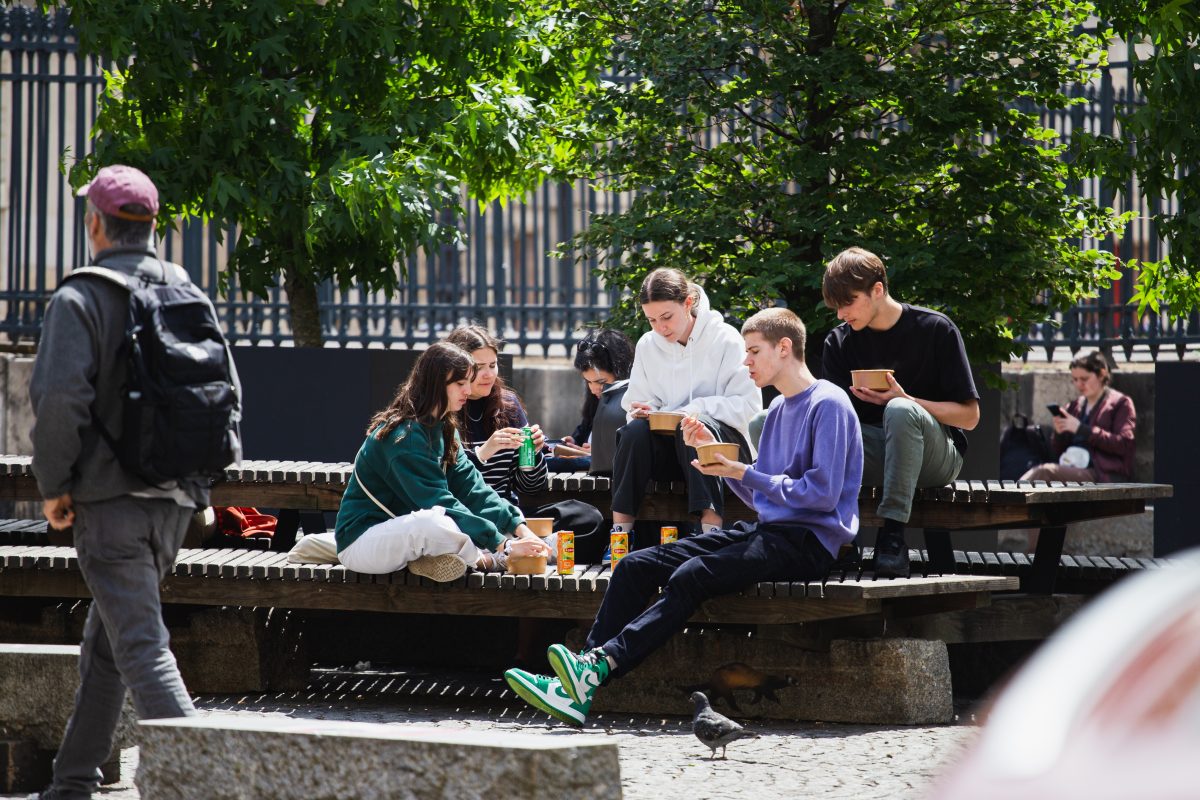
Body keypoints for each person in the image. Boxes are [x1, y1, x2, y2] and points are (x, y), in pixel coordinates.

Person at [504, 307, 862, 726]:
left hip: (810, 543)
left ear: (785, 348)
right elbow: (762, 494)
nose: (745, 362)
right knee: (636, 565)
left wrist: (740, 470)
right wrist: (716, 460)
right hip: (770, 530)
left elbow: (820, 496)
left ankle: (599, 666)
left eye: (753, 352)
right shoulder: (777, 412)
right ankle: (575, 686)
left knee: (691, 574)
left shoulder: (829, 404)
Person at [29, 165, 231, 799]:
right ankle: (71, 784)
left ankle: (201, 786)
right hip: (173, 503)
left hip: (110, 503)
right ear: (150, 226)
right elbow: (227, 392)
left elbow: (60, 400)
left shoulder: (81, 297)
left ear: (95, 225)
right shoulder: (184, 288)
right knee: (111, 642)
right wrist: (197, 486)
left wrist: (54, 484)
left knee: (140, 645)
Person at [821, 247, 980, 578]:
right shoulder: (838, 342)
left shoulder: (936, 329)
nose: (840, 314)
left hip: (934, 458)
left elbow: (969, 417)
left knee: (900, 409)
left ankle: (892, 536)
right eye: (836, 306)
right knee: (783, 421)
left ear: (877, 290)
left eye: (847, 302)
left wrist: (906, 398)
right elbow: (835, 429)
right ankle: (834, 538)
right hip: (871, 454)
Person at [334, 342, 550, 581]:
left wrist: (521, 529)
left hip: (400, 534)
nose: (468, 390)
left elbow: (473, 489)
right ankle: (488, 560)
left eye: (469, 381)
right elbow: (438, 501)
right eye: (460, 383)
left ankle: (430, 560)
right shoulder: (404, 438)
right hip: (361, 542)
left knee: (444, 523)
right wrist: (504, 545)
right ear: (436, 384)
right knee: (433, 521)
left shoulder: (444, 428)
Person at [611, 268, 762, 544]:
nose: (660, 327)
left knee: (693, 425)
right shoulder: (648, 344)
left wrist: (695, 409)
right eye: (651, 320)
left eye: (666, 317)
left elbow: (747, 407)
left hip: (723, 450)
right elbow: (635, 400)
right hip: (668, 451)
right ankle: (620, 537)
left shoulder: (726, 339)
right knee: (633, 433)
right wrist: (641, 410)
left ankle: (711, 535)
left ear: (689, 302)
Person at [444, 325, 605, 564]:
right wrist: (483, 453)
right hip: (466, 517)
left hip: (510, 517)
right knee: (446, 530)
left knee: (588, 518)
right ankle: (520, 553)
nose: (489, 375)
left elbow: (530, 488)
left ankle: (512, 554)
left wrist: (532, 456)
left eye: (493, 365)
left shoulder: (506, 405)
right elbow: (446, 485)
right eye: (478, 368)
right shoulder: (446, 409)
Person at [1021, 351, 1136, 483]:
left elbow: (1124, 445)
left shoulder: (1121, 403)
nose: (1079, 384)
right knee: (1041, 471)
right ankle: (1006, 498)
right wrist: (1059, 433)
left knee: (1045, 472)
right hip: (1072, 465)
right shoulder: (1075, 406)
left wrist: (1082, 429)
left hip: (1101, 472)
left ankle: (1005, 499)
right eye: (1075, 379)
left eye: (1084, 379)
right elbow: (1058, 452)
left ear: (1102, 374)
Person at [549, 328, 636, 474]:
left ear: (621, 372)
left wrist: (600, 454)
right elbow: (583, 433)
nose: (594, 389)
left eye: (601, 382)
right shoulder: (596, 400)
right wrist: (572, 443)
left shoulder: (635, 402)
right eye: (588, 382)